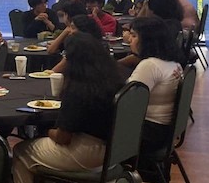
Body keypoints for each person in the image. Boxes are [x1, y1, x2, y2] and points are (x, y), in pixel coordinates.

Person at [12, 33, 125, 183]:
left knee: (20, 150)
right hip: (115, 150)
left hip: (87, 153)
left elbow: (62, 138)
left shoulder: (79, 87)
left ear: (71, 59)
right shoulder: (115, 79)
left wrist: (47, 132)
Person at [127, 17, 184, 183]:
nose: (129, 39)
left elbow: (128, 104)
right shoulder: (174, 63)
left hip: (149, 133)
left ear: (148, 40)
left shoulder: (150, 65)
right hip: (165, 131)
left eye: (134, 35)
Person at [119, 0, 184, 69]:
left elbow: (137, 24)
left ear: (154, 8)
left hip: (154, 64)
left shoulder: (158, 27)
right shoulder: (173, 23)